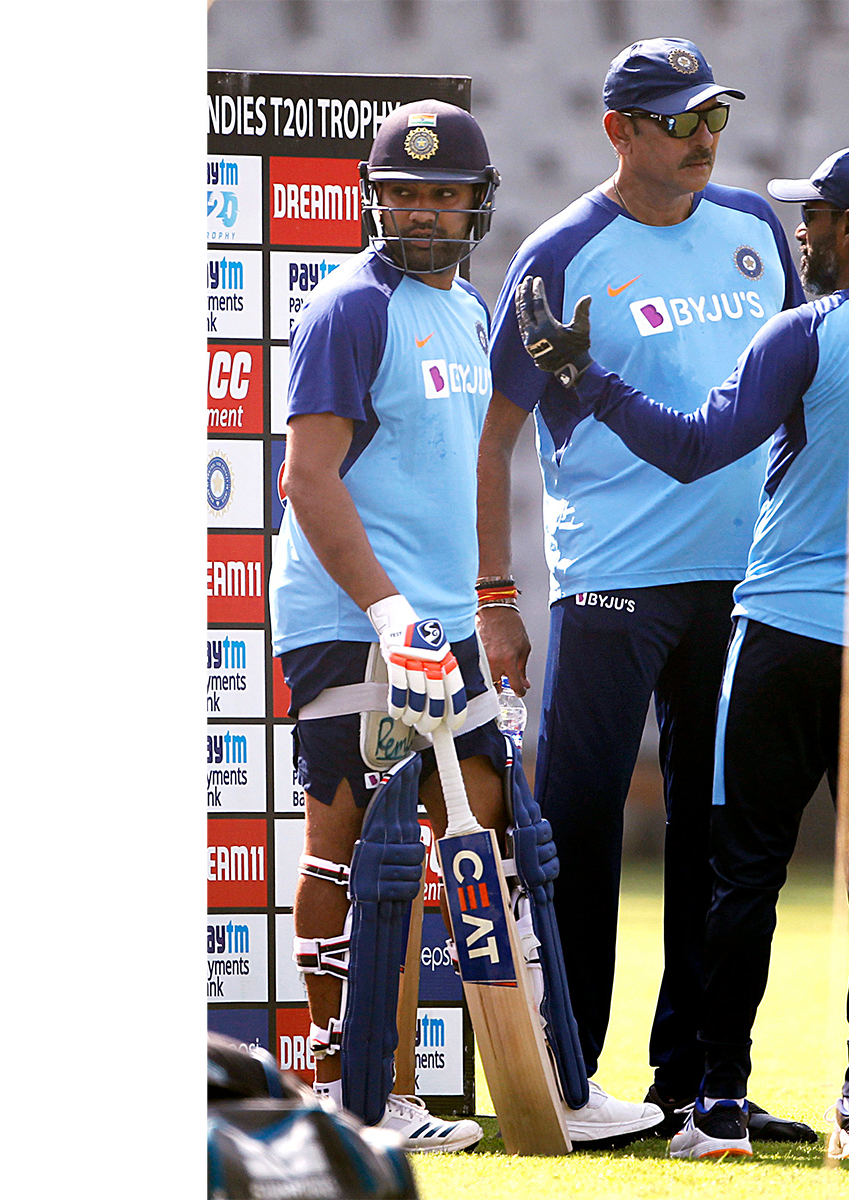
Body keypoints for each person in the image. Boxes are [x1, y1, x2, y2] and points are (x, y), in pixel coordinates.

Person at [514, 144, 849, 1160]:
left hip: (782, 634)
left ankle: (719, 1102)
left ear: (848, 228)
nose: (800, 233)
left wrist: (584, 377)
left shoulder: (802, 333)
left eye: (814, 216)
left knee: (742, 874)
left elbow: (695, 449)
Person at [270, 99, 654, 1154]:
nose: (422, 212)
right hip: (351, 621)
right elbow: (308, 479)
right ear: (373, 198)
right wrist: (387, 611)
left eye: (443, 194)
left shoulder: (468, 306)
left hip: (439, 626)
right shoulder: (350, 309)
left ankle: (552, 1087)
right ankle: (361, 1097)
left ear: (478, 204)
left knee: (496, 843)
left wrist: (479, 604)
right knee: (353, 848)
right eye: (403, 194)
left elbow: (467, 464)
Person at [479, 36, 814, 1142]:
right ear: (618, 130)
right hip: (611, 583)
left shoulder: (755, 228)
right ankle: (571, 1087)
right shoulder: (560, 252)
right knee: (578, 833)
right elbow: (494, 435)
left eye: (713, 116)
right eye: (678, 121)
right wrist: (494, 596)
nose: (702, 139)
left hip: (747, 581)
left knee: (717, 837)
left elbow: (801, 392)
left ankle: (699, 1088)